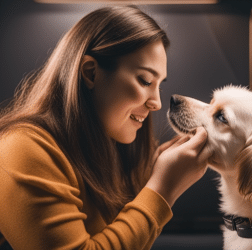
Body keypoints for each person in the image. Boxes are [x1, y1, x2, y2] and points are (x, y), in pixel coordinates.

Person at [0, 6, 211, 250]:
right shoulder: (21, 148)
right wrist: (163, 189)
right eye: (144, 81)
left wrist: (147, 182)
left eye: (159, 86)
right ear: (91, 73)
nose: (157, 104)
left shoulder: (103, 152)